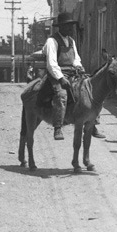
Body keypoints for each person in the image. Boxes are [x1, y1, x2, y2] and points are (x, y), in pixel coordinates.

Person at [37, 11, 85, 141]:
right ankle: (58, 127)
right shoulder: (52, 41)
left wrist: (78, 66)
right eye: (67, 26)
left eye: (71, 26)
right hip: (57, 73)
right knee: (61, 95)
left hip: (71, 71)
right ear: (61, 27)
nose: (70, 28)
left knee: (88, 89)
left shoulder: (71, 40)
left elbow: (76, 58)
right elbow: (51, 64)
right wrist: (61, 78)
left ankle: (92, 124)